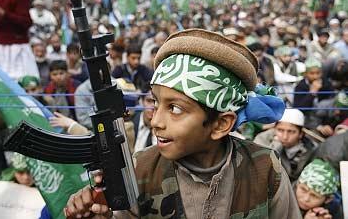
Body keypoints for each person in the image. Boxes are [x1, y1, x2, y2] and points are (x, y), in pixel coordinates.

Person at [65, 29, 301, 218]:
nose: (155, 121)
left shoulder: (266, 168)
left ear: (221, 124)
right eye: (156, 103)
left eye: (175, 109)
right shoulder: (140, 171)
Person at [254, 109, 317, 182]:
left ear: (301, 134)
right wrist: (276, 148)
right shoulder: (263, 140)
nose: (285, 137)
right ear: (274, 129)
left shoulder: (310, 151)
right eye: (280, 130)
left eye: (291, 131)